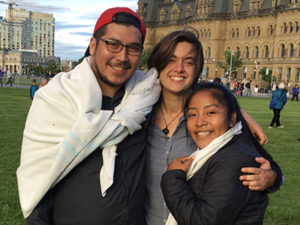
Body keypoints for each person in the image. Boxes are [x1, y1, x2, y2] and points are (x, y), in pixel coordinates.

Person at [17, 7, 161, 225]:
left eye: (133, 48)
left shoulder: (145, 97)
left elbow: (196, 113)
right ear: (93, 45)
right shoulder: (56, 100)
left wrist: (232, 151)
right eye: (113, 44)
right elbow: (40, 177)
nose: (122, 56)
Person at [145, 30, 282, 225]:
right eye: (170, 60)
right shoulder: (140, 116)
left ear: (198, 69)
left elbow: (260, 161)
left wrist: (271, 177)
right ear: (157, 65)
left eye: (189, 62)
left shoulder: (217, 123)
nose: (179, 68)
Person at [161, 82, 279, 225]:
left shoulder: (235, 161)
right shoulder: (223, 151)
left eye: (211, 112)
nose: (200, 122)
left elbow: (204, 221)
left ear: (232, 119)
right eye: (192, 114)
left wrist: (172, 178)